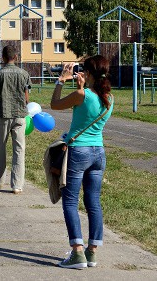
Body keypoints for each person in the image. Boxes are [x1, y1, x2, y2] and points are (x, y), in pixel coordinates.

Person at [50, 56, 114, 269]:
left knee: (70, 201)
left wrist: (61, 80)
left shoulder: (82, 95)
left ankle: (77, 252)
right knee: (93, 202)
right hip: (98, 153)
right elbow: (88, 110)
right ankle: (92, 252)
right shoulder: (109, 98)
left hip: (78, 152)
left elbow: (55, 104)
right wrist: (82, 86)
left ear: (89, 73)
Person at [0, 45, 30, 193]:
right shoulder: (24, 74)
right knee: (19, 150)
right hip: (19, 116)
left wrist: (0, 95)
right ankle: (17, 185)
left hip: (2, 115)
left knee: (0, 148)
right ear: (16, 57)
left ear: (3, 58)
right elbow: (26, 98)